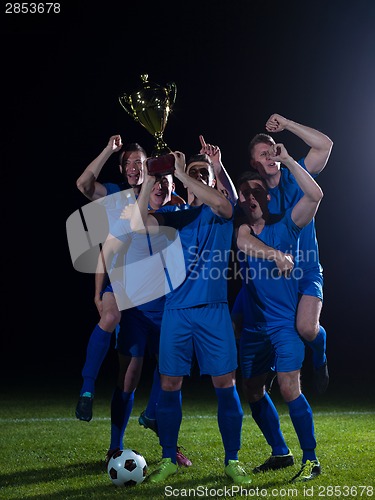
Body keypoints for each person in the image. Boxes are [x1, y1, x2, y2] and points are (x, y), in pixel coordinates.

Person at [130, 150, 252, 485]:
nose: (196, 177)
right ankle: (168, 458)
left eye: (203, 174)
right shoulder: (173, 214)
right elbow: (138, 226)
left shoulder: (220, 213)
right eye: (191, 173)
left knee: (225, 385)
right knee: (169, 385)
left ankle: (232, 461)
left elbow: (227, 205)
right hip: (176, 312)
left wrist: (186, 172)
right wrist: (151, 180)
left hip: (214, 312)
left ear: (213, 181)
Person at [74, 136, 184, 421]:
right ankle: (87, 391)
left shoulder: (170, 200)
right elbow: (106, 247)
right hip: (126, 289)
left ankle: (159, 428)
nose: (133, 167)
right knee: (121, 351)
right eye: (127, 163)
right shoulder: (117, 197)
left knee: (170, 367)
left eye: (139, 161)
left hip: (161, 296)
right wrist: (108, 150)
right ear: (121, 170)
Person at [235, 140, 324, 482]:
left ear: (267, 196)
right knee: (254, 390)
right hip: (256, 328)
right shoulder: (241, 230)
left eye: (256, 190)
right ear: (240, 201)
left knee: (289, 388)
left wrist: (287, 158)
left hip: (285, 325)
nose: (250, 196)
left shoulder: (288, 225)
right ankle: (280, 452)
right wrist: (273, 255)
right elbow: (245, 243)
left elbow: (315, 196)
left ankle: (311, 460)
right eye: (244, 194)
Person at [96, 173, 191, 468]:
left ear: (174, 189)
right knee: (129, 377)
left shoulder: (179, 212)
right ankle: (115, 446)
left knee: (171, 376)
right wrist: (99, 293)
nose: (161, 185)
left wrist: (183, 171)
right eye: (156, 182)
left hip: (168, 308)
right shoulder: (130, 214)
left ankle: (165, 438)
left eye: (167, 182)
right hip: (136, 308)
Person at [238, 114, 333, 394]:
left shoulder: (295, 174)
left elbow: (325, 145)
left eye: (272, 151)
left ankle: (320, 355)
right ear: (254, 163)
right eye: (262, 154)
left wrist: (288, 127)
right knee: (244, 321)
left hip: (305, 272)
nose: (269, 156)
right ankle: (265, 372)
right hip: (274, 278)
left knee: (306, 328)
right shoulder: (257, 193)